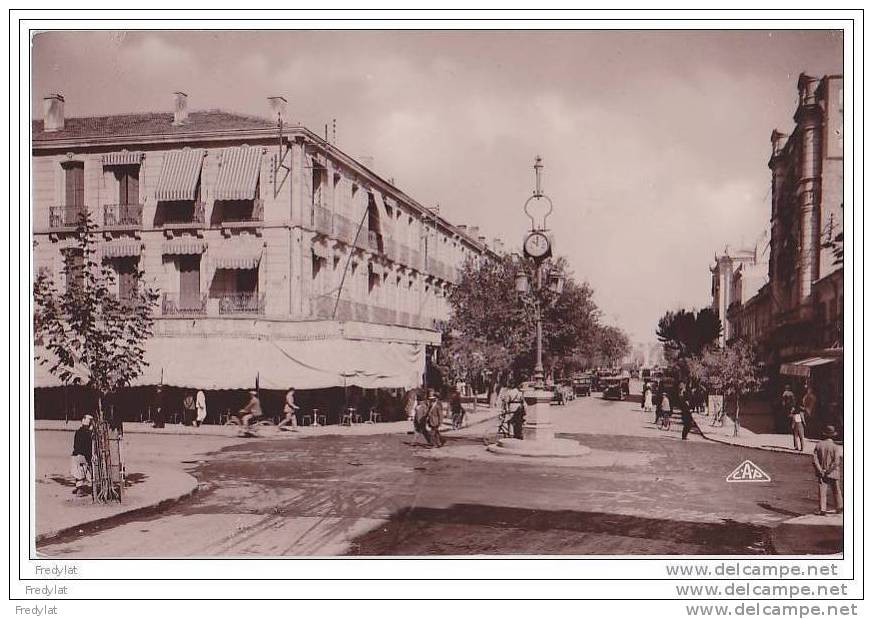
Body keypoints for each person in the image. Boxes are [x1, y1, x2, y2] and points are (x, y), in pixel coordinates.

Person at [812, 425, 843, 515]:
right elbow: (836, 461)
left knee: (822, 490)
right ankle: (839, 507)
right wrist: (829, 470)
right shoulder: (835, 447)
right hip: (833, 472)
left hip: (821, 472)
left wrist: (821, 470)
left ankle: (822, 509)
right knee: (836, 489)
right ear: (833, 435)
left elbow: (815, 460)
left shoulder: (818, 445)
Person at [70, 415, 94, 496]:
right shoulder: (88, 434)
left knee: (79, 474)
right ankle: (80, 490)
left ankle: (79, 488)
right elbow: (88, 448)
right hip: (82, 455)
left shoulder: (78, 431)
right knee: (85, 472)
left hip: (75, 454)